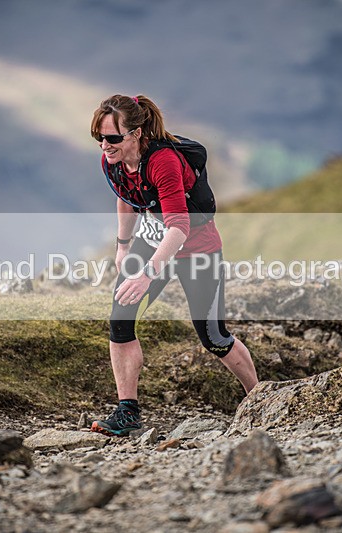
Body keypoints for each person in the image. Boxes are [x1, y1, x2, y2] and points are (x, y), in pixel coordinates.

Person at [89, 94, 259, 436]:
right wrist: (123, 246)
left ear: (136, 133)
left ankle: (260, 399)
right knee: (119, 322)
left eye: (113, 138)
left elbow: (179, 227)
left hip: (195, 248)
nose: (105, 146)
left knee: (213, 337)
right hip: (151, 241)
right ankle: (128, 413)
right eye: (100, 137)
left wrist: (146, 274)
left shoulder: (163, 161)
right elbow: (125, 197)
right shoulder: (114, 159)